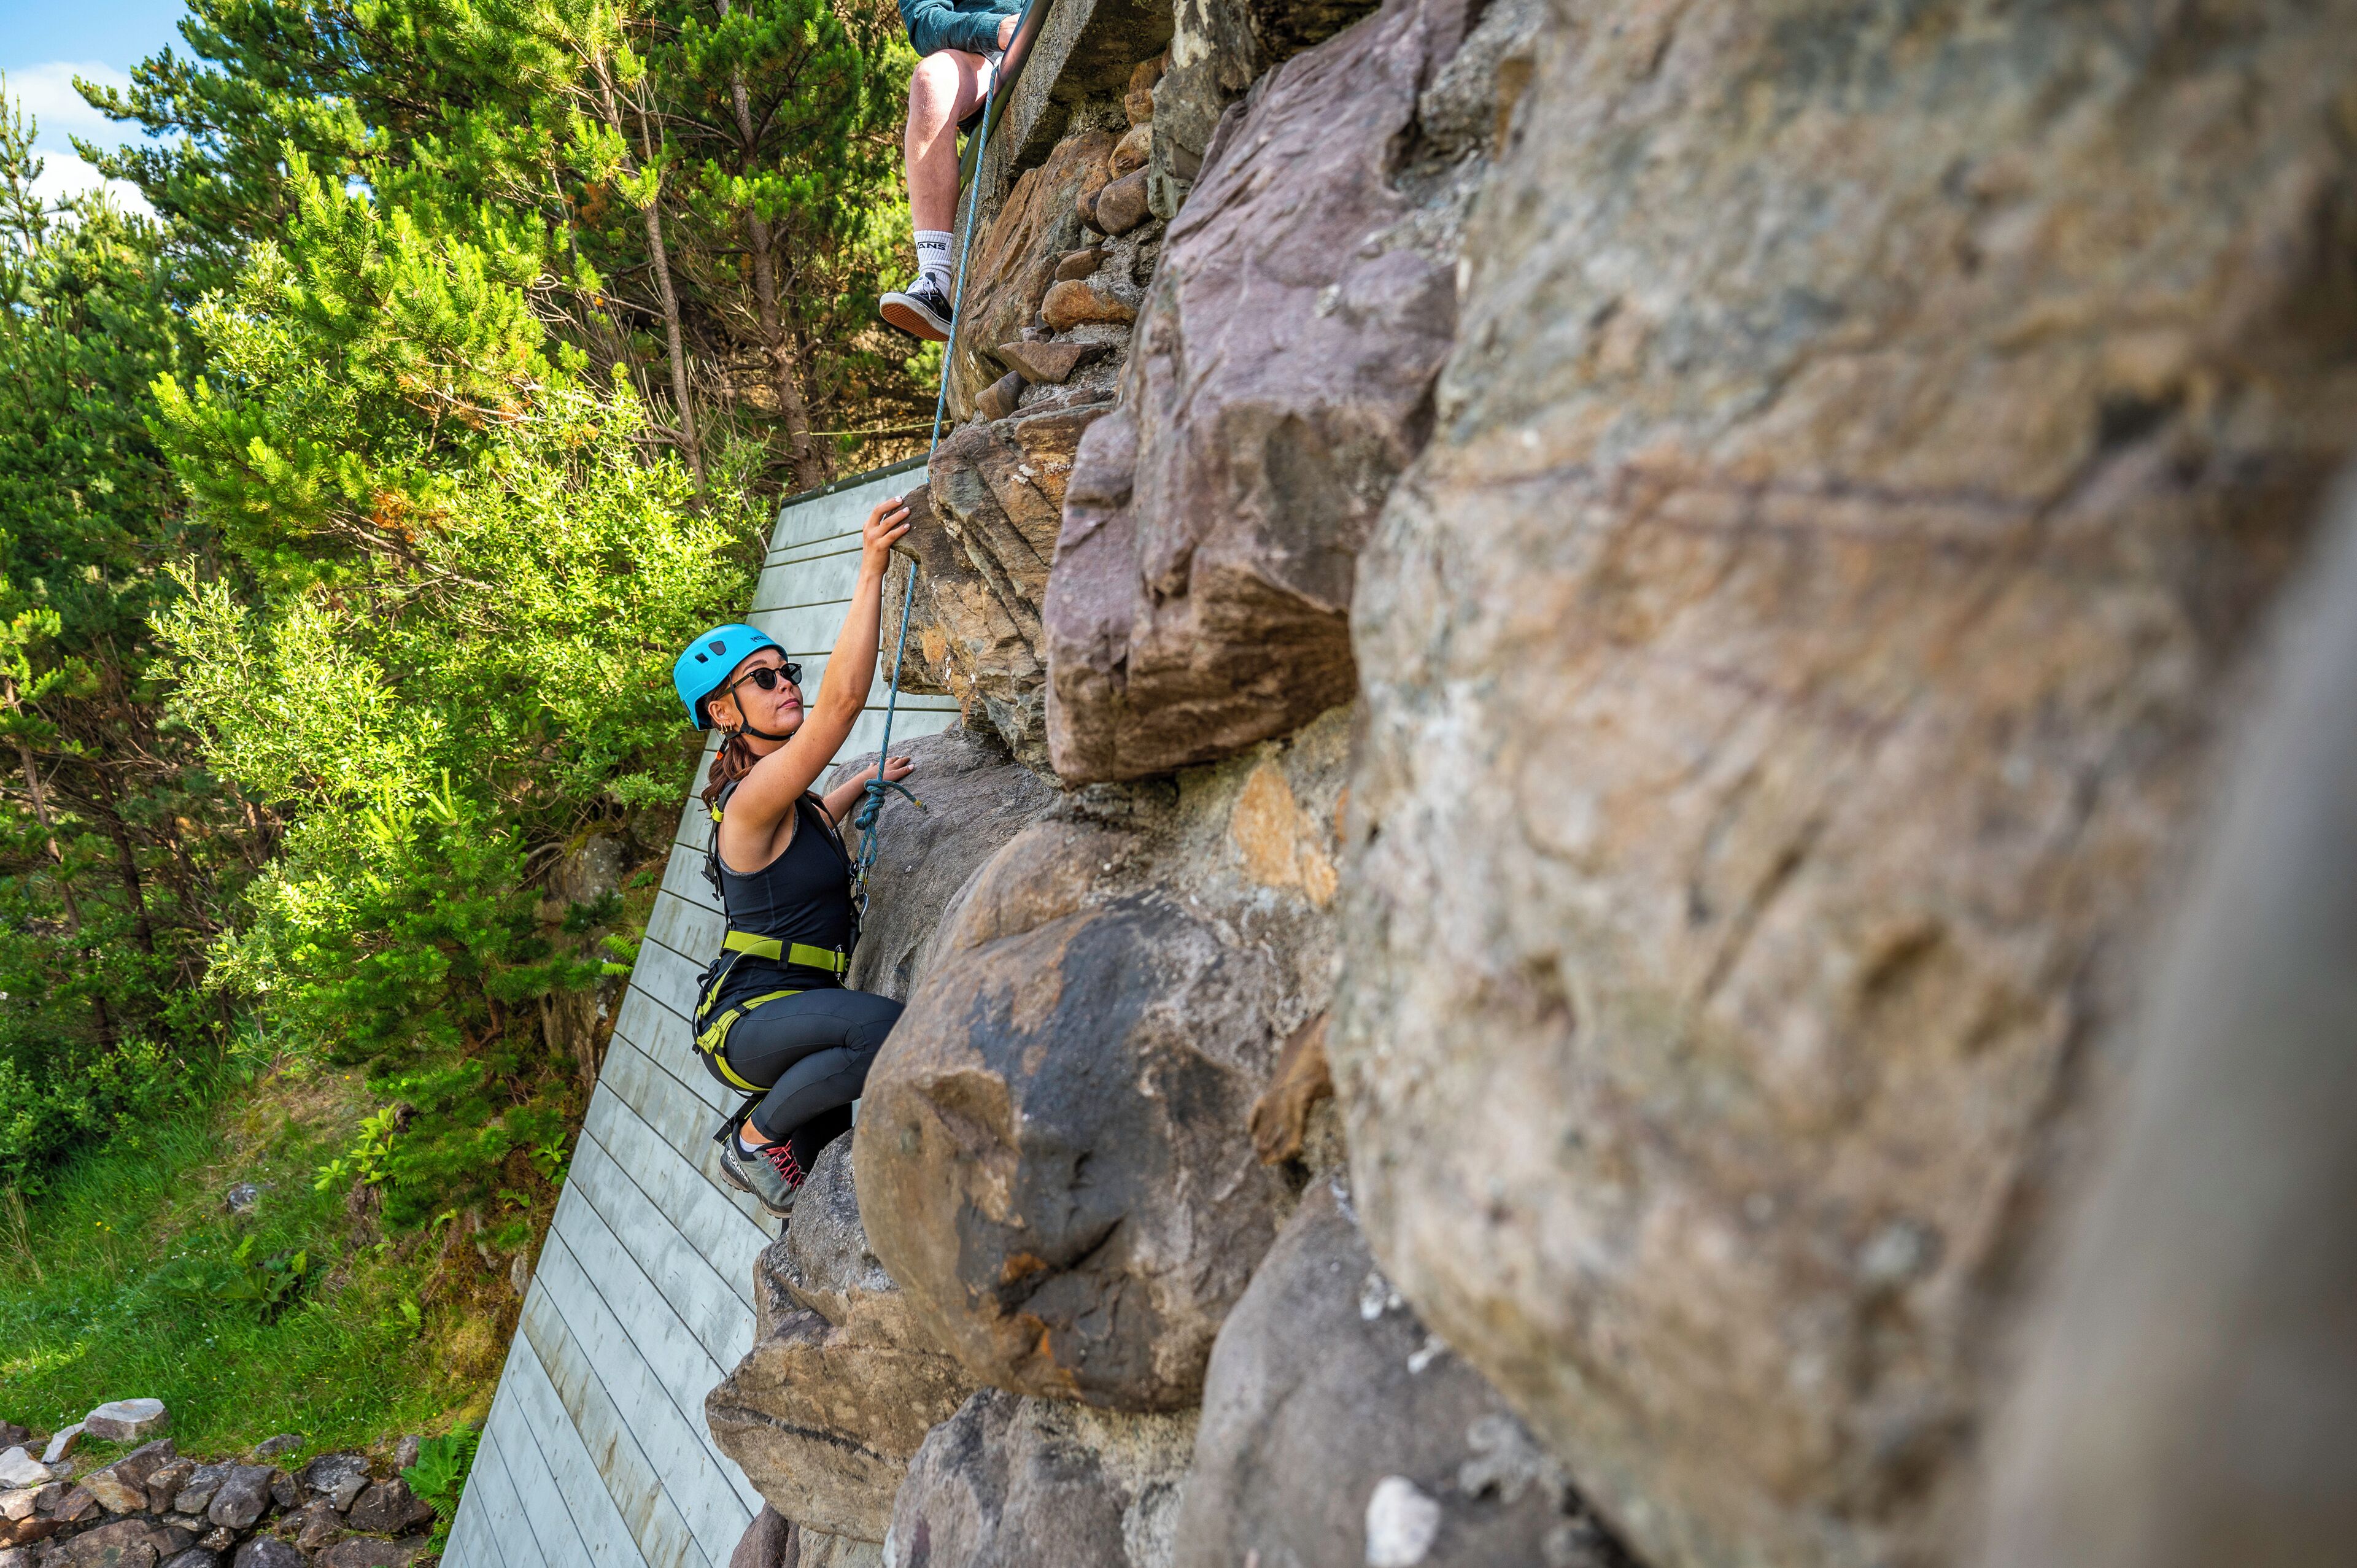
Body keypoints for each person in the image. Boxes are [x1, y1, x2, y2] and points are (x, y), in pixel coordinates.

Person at [668, 492, 916, 1216]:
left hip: (798, 1010)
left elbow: (809, 829)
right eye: (764, 679)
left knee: (824, 1162)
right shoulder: (747, 803)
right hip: (751, 1016)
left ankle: (769, 1144)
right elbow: (841, 708)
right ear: (723, 712)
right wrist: (870, 566)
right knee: (882, 1030)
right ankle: (749, 1140)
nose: (787, 686)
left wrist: (857, 786)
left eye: (789, 672)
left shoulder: (786, 803)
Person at [878, 0, 1024, 341]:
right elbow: (924, 21)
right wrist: (993, 30)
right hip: (988, 60)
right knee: (930, 80)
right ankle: (934, 282)